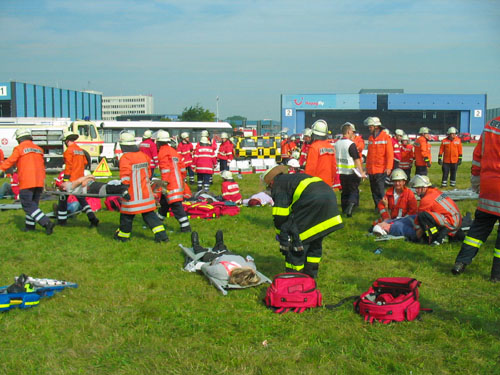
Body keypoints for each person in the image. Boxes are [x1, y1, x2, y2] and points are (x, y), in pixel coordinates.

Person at [263, 165, 344, 278]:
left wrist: (281, 234)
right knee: (314, 239)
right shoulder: (292, 178)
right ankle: (310, 276)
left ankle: (294, 278)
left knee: (296, 243)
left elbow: (280, 215)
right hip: (329, 201)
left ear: (271, 182)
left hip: (313, 202)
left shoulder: (279, 185)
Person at [451, 116, 500, 281]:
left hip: (488, 187)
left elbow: (478, 154)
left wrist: (476, 178)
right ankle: (497, 276)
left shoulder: (491, 125)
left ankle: (460, 263)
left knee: (477, 230)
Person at [114, 132, 168, 243]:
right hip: (145, 193)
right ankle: (162, 236)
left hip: (132, 194)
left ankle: (123, 237)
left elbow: (125, 175)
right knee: (150, 215)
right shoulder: (144, 156)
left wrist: (124, 189)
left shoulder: (126, 158)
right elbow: (148, 174)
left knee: (126, 217)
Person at [0, 129, 54, 234]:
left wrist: (1, 169)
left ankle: (46, 222)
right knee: (34, 205)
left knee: (27, 204)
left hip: (27, 181)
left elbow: (10, 161)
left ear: (19, 139)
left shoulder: (19, 148)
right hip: (39, 181)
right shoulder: (39, 149)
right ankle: (30, 227)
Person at [57, 131, 99, 227]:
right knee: (82, 199)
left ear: (67, 141)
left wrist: (66, 180)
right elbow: (84, 162)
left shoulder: (68, 151)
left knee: (62, 198)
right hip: (81, 179)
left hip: (72, 180)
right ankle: (93, 218)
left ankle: (61, 221)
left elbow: (68, 167)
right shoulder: (80, 150)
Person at [187, 231, 261, 286]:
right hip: (221, 257)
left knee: (205, 252)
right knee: (205, 253)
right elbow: (206, 268)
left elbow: (206, 268)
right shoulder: (222, 273)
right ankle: (215, 243)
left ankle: (198, 244)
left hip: (226, 256)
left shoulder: (251, 268)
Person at [410, 175, 462, 246]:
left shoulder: (427, 199)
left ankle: (432, 237)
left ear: (425, 187)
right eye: (415, 188)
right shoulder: (435, 191)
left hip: (451, 221)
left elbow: (418, 219)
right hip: (456, 219)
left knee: (423, 216)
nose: (416, 190)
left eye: (418, 188)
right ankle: (442, 233)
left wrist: (415, 236)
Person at [155, 130, 191, 233]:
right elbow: (182, 168)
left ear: (159, 142)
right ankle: (157, 222)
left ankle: (186, 227)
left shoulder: (162, 152)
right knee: (164, 204)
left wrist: (163, 185)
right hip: (178, 181)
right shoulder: (173, 151)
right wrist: (182, 179)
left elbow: (165, 171)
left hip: (170, 184)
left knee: (176, 206)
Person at [334, 122, 366, 217]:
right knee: (353, 191)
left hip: (341, 172)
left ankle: (344, 209)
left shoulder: (336, 143)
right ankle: (350, 207)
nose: (353, 133)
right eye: (352, 131)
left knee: (344, 191)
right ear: (348, 131)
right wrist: (361, 173)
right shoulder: (351, 144)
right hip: (351, 172)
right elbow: (356, 159)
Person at [364, 116, 394, 209]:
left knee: (380, 190)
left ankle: (385, 208)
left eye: (371, 127)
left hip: (381, 169)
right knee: (373, 190)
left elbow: (390, 154)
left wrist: (389, 167)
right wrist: (367, 168)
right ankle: (378, 207)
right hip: (372, 170)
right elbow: (369, 155)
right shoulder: (370, 138)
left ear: (376, 127)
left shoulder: (386, 137)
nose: (369, 128)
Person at [304, 119, 338, 188]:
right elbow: (333, 167)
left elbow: (310, 169)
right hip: (328, 184)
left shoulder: (314, 147)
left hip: (316, 185)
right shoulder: (330, 147)